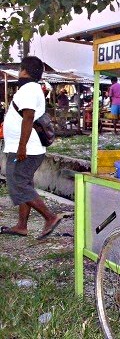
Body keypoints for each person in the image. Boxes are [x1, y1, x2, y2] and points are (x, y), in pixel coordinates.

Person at [0, 56, 63, 239]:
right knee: (24, 184)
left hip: (26, 148)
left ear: (25, 71)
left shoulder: (28, 89)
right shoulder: (32, 89)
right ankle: (22, 225)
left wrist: (22, 147)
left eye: (20, 70)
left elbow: (28, 118)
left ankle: (50, 217)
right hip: (27, 147)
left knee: (17, 183)